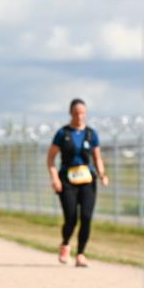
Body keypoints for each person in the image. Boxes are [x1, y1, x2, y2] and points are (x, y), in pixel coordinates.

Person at [47, 98, 109, 267]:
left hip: (87, 180)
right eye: (76, 113)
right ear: (71, 113)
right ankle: (65, 243)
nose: (80, 116)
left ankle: (81, 254)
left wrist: (102, 174)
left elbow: (97, 158)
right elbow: (51, 159)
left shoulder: (91, 134)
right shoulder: (63, 134)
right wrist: (55, 178)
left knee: (86, 217)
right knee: (71, 218)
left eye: (82, 113)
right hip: (67, 181)